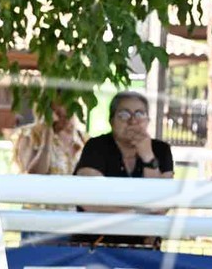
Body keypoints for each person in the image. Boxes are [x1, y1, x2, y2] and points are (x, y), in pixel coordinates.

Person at [72, 89, 173, 248]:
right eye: (124, 114)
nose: (133, 121)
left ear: (148, 120)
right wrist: (139, 214)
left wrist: (148, 157)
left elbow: (160, 206)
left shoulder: (161, 150)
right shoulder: (96, 146)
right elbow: (90, 201)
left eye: (139, 114)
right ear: (111, 121)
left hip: (144, 248)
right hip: (96, 245)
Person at [11, 101, 86, 175]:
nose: (66, 120)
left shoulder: (82, 138)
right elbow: (33, 174)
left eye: (69, 114)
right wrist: (47, 136)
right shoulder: (31, 134)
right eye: (59, 114)